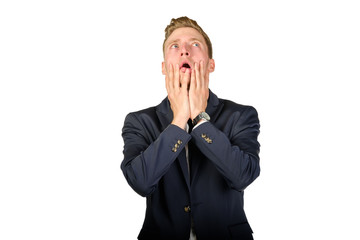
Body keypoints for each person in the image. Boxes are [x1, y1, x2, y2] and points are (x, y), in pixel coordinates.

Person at [121, 16, 260, 240]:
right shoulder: (139, 121)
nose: (184, 50)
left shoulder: (241, 116)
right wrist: (179, 120)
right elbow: (141, 182)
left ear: (211, 64)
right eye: (174, 46)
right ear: (165, 67)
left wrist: (199, 118)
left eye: (195, 44)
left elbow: (243, 175)